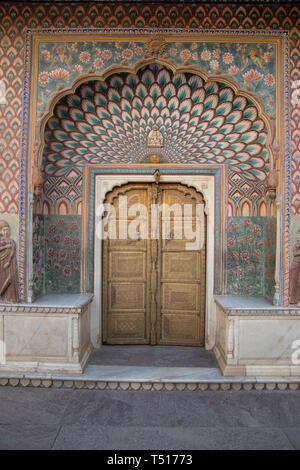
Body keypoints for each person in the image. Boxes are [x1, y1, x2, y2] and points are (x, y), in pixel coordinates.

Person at [0, 220, 19, 303]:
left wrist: (8, 262)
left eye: (7, 230)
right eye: (4, 230)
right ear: (1, 231)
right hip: (1, 263)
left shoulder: (12, 241)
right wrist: (5, 247)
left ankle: (11, 298)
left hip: (9, 264)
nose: (6, 232)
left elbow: (12, 252)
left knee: (10, 278)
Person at [289, 228, 300, 305]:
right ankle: (292, 299)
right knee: (293, 282)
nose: (297, 236)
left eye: (299, 234)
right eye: (298, 234)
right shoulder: (296, 244)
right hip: (295, 265)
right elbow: (295, 254)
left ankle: (296, 298)